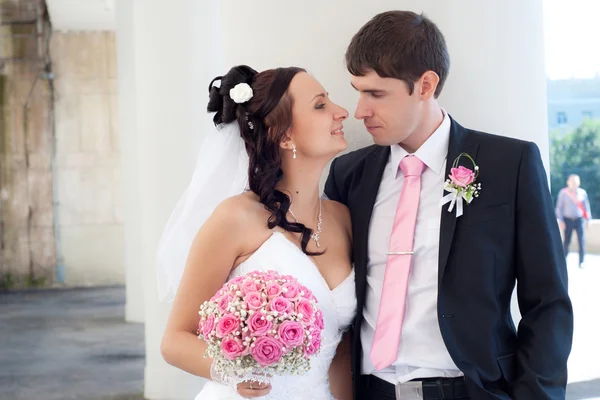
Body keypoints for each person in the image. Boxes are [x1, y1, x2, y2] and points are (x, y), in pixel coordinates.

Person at [324, 11, 574, 400]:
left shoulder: (511, 164)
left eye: (375, 93)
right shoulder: (348, 174)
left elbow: (548, 302)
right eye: (358, 91)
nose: (360, 111)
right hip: (370, 391)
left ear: (425, 85)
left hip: (470, 391)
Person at [157, 65, 356, 400]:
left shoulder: (342, 217)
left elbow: (341, 350)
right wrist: (236, 373)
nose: (342, 112)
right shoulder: (235, 217)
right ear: (285, 135)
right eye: (321, 105)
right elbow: (175, 340)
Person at [556, 174, 592, 268]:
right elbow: (559, 208)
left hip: (579, 220)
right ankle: (563, 261)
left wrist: (588, 219)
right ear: (568, 182)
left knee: (581, 240)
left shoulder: (582, 193)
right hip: (567, 220)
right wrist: (561, 220)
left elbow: (586, 207)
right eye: (572, 181)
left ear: (578, 183)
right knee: (567, 241)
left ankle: (581, 262)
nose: (574, 184)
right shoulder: (563, 193)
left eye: (576, 182)